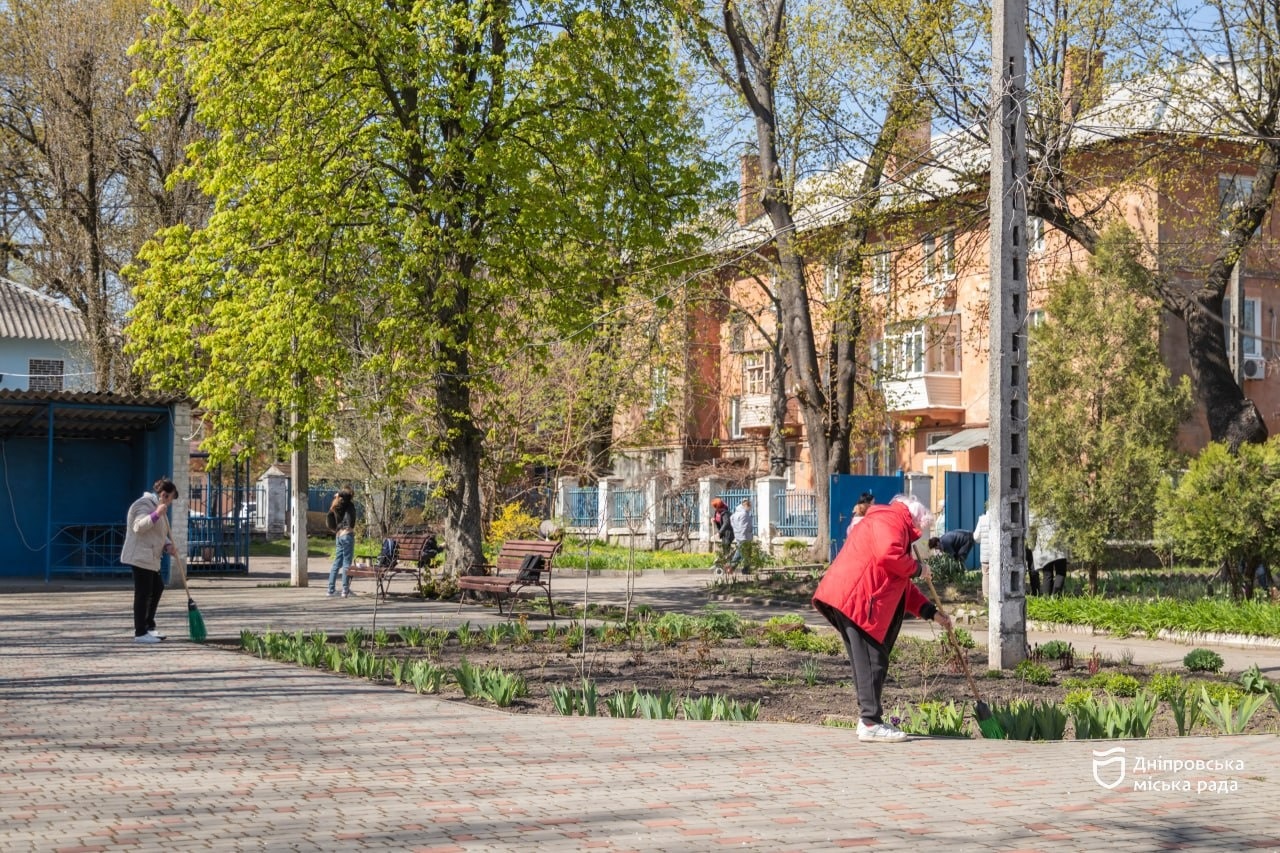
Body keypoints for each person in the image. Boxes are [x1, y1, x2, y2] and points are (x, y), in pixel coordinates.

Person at [812, 494, 952, 743]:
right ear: (914, 518)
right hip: (860, 600)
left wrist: (932, 613)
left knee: (868, 662)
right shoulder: (891, 522)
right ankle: (870, 722)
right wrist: (919, 569)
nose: (919, 533)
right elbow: (889, 555)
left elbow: (902, 588)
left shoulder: (887, 523)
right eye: (919, 528)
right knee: (871, 662)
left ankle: (868, 720)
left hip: (853, 598)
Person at [120, 478, 179, 644]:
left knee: (157, 587)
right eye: (170, 499)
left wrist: (168, 546)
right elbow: (138, 527)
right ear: (164, 495)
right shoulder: (143, 504)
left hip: (151, 557)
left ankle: (149, 626)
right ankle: (140, 632)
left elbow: (158, 533)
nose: (170, 503)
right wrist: (157, 514)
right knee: (143, 593)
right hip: (140, 556)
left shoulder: (157, 507)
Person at [327, 486, 357, 597]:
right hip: (347, 535)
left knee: (337, 563)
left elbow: (330, 521)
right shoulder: (348, 504)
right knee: (346, 564)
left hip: (338, 536)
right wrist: (340, 493)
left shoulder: (336, 505)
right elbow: (346, 495)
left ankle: (331, 590)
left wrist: (337, 495)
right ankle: (345, 590)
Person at [1030, 512, 1068, 596]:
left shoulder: (1040, 505)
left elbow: (1031, 522)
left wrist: (1032, 545)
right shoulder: (1060, 505)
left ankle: (1046, 600)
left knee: (1047, 574)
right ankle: (1055, 598)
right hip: (1060, 543)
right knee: (1061, 572)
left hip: (1045, 543)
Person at [729, 498, 754, 572]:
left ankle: (732, 567)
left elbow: (732, 523)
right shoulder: (744, 514)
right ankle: (741, 569)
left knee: (740, 552)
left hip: (738, 535)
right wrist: (744, 536)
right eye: (749, 506)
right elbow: (744, 527)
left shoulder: (735, 514)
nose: (750, 508)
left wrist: (736, 532)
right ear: (746, 506)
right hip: (744, 536)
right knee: (745, 553)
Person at [710, 498, 734, 571]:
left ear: (718, 506)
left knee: (726, 549)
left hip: (728, 533)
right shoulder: (717, 511)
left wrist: (720, 532)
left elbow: (726, 523)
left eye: (715, 506)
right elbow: (717, 519)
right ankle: (725, 566)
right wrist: (713, 519)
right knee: (725, 550)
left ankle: (728, 567)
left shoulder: (725, 512)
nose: (714, 508)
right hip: (723, 534)